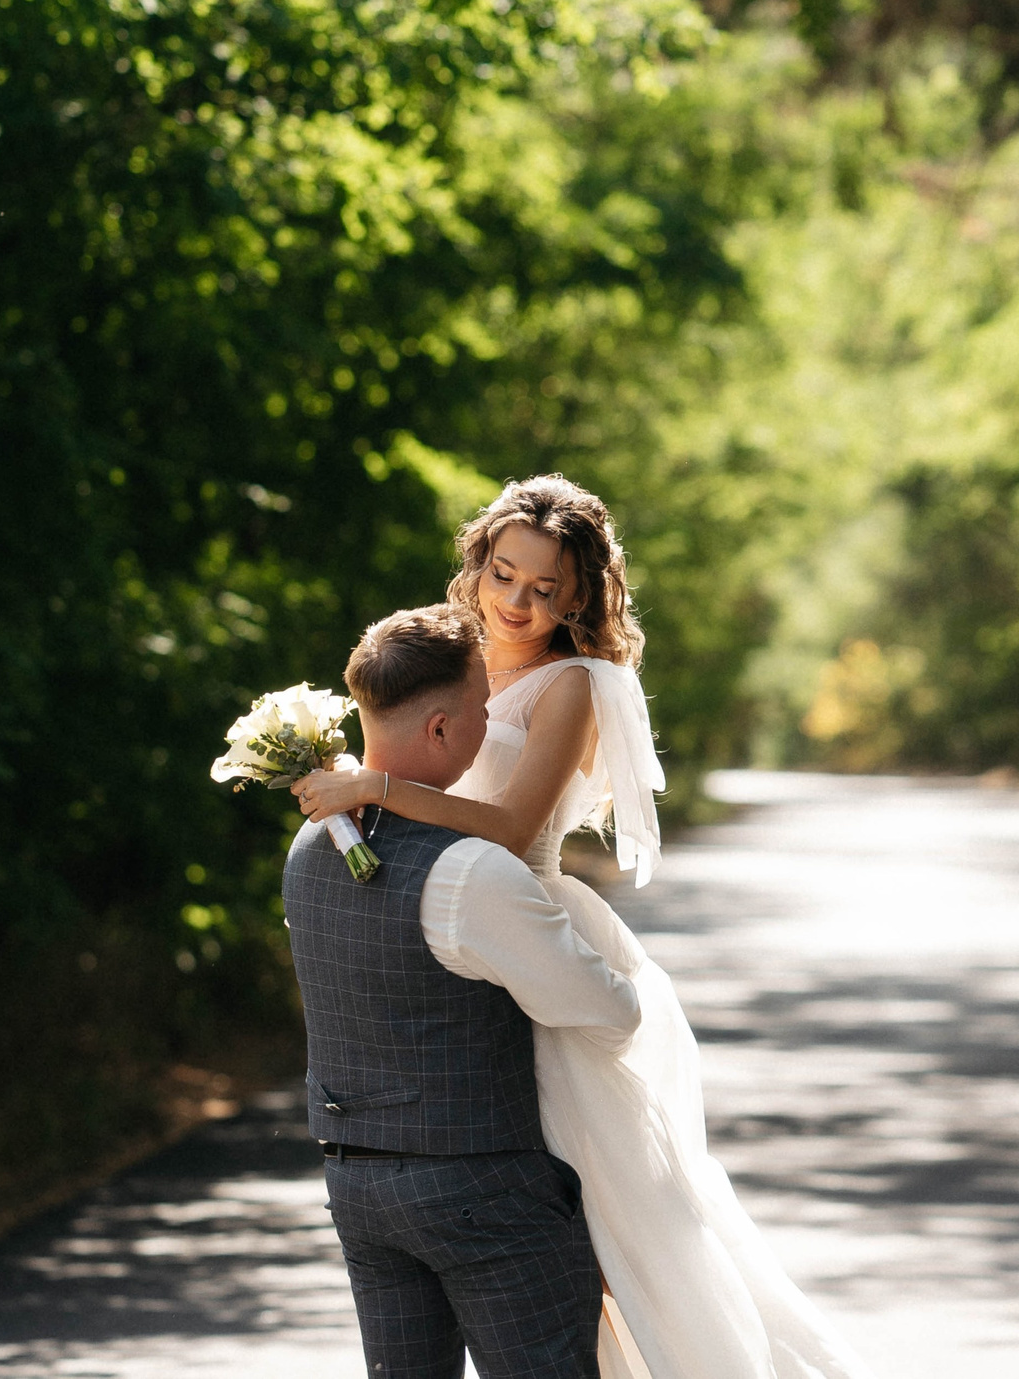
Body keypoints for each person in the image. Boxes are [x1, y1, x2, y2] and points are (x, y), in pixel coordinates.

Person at [297, 477, 877, 1379]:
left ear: (578, 593)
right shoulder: (449, 652)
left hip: (513, 908)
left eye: (544, 588)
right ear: (479, 563)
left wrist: (375, 789)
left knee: (597, 1211)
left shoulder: (571, 684)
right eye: (504, 574)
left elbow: (515, 827)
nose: (519, 603)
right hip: (439, 923)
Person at [283, 602, 644, 1379]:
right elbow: (610, 1011)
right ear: (442, 729)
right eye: (482, 708)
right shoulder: (474, 873)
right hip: (482, 1189)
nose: (490, 723)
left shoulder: (310, 844)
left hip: (357, 1184)